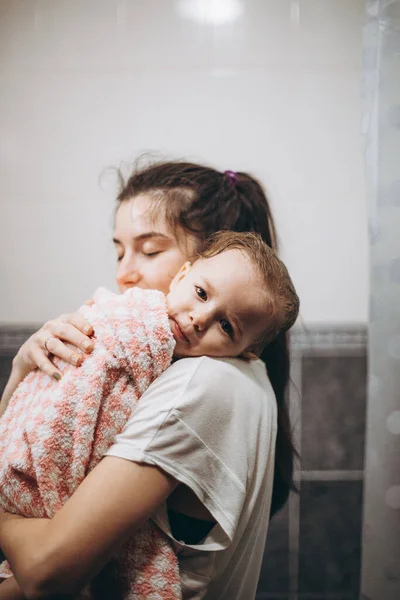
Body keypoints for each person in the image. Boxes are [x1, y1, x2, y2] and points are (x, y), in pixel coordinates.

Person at [0, 161, 298, 600]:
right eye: (120, 250)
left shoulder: (202, 381)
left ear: (207, 256)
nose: (124, 272)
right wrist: (22, 373)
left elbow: (47, 572)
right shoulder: (237, 374)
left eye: (150, 250)